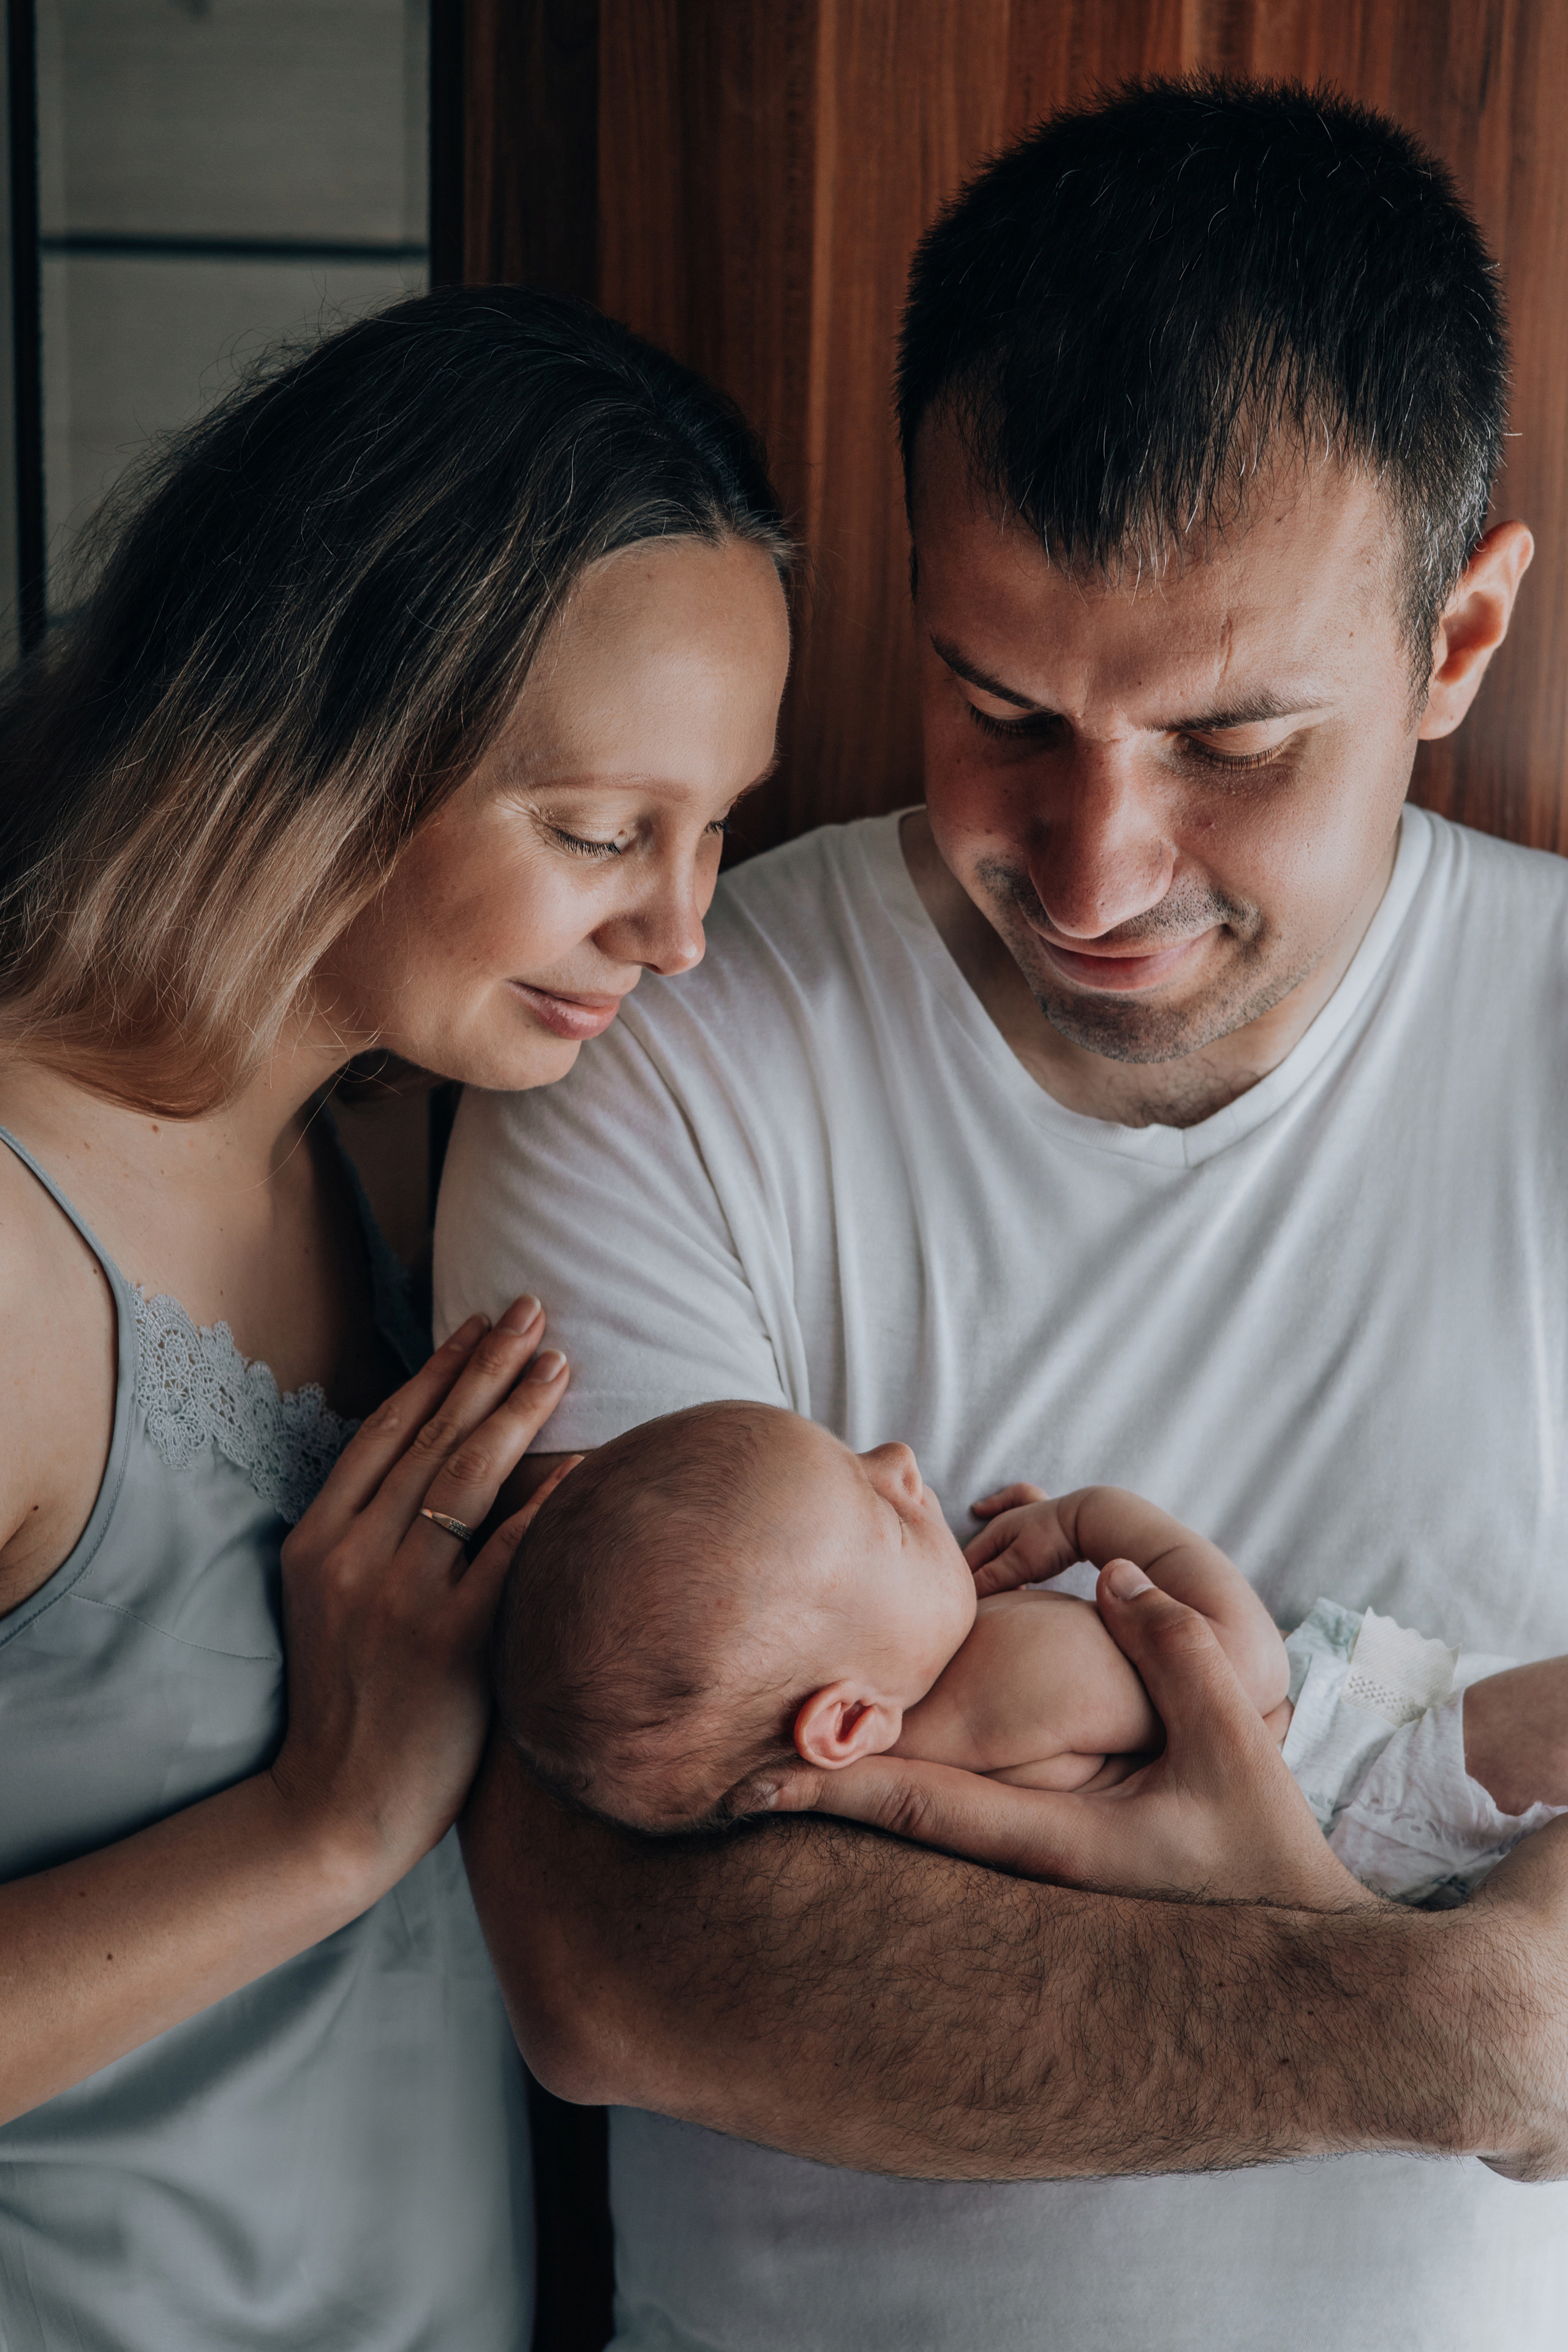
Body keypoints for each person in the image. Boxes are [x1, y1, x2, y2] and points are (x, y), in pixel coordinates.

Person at [439, 81, 1568, 2352]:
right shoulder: (657, 1042)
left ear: (1456, 645)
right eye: (999, 705)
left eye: (1237, 741)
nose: (1091, 870)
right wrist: (1446, 2030)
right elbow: (619, 1966)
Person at [0, 287, 791, 2348]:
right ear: (326, 726)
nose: (683, 929)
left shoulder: (383, 1171)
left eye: (721, 832)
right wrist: (318, 1830)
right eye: (603, 833)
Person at [492, 1401, 1564, 1905]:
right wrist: (1102, 1526)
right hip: (1365, 1773)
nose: (902, 1464)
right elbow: (1242, 1676)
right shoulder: (1003, 1679)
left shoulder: (905, 1770)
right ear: (849, 1720)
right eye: (880, 1514)